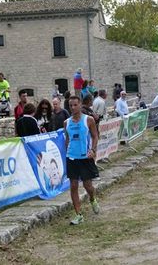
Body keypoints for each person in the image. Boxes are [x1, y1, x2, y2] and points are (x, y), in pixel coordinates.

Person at [64, 95, 100, 225]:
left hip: (85, 157)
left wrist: (93, 150)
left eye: (75, 105)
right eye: (70, 105)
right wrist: (66, 153)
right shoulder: (66, 122)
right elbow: (67, 140)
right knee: (73, 186)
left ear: (80, 105)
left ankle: (92, 198)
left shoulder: (88, 120)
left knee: (87, 186)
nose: (73, 108)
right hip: (71, 157)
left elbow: (95, 136)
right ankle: (78, 214)